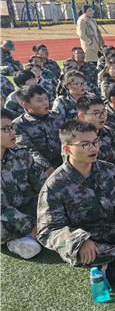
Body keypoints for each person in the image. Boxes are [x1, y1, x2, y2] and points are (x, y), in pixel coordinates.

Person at [37, 120, 115, 277]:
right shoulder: (55, 185)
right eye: (85, 145)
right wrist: (79, 240)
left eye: (95, 142)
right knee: (86, 253)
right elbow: (47, 230)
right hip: (90, 240)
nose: (93, 148)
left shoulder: (108, 169)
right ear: (67, 149)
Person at [1, 108, 47, 259]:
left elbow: (43, 185)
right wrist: (33, 225)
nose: (12, 132)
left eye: (12, 127)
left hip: (25, 207)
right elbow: (2, 210)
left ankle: (26, 238)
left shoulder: (21, 153)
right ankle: (21, 239)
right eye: (6, 129)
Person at [13, 85, 64, 173]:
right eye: (40, 100)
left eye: (46, 99)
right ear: (26, 105)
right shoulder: (19, 124)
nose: (45, 103)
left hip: (64, 163)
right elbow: (28, 150)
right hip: (39, 170)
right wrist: (47, 168)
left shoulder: (57, 116)